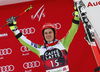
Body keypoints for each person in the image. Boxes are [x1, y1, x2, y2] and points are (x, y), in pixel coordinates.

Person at [7, 5, 80, 72]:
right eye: (46, 33)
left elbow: (72, 31)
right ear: (43, 35)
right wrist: (15, 29)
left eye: (50, 32)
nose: (48, 35)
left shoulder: (63, 43)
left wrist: (77, 15)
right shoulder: (40, 49)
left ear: (54, 34)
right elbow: (25, 42)